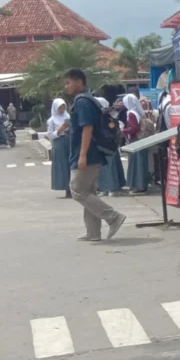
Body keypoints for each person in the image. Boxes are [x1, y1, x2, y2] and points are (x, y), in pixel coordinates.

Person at [64, 69, 126, 242]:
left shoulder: (82, 101)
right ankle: (93, 232)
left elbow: (87, 128)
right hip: (93, 153)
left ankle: (113, 217)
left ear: (79, 82)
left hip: (86, 153)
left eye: (68, 82)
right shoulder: (88, 100)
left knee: (77, 191)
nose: (66, 86)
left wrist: (82, 155)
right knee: (89, 192)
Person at [95, 97, 125, 196]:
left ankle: (107, 188)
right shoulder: (109, 114)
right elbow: (115, 128)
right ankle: (109, 188)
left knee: (105, 168)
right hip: (109, 145)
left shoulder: (104, 115)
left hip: (104, 145)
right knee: (108, 168)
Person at [123, 94, 150, 193]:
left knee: (136, 164)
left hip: (135, 140)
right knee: (141, 164)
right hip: (141, 140)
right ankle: (142, 185)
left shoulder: (131, 113)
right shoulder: (138, 112)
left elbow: (134, 128)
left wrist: (123, 130)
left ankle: (138, 186)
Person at [45, 98, 72, 198]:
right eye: (60, 108)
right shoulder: (51, 120)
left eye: (63, 107)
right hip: (59, 143)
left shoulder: (68, 116)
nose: (62, 110)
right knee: (62, 166)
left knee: (71, 165)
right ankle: (66, 189)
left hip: (68, 141)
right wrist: (60, 130)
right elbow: (50, 135)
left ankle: (72, 188)